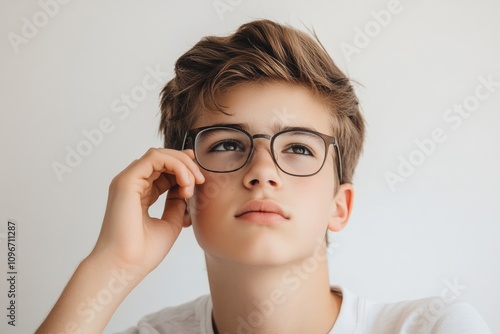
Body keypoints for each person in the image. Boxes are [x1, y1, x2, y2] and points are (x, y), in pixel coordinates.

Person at [36, 19, 490, 334]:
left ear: (340, 206)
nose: (262, 173)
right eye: (228, 144)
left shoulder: (435, 328)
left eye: (297, 148)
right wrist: (111, 268)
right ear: (183, 190)